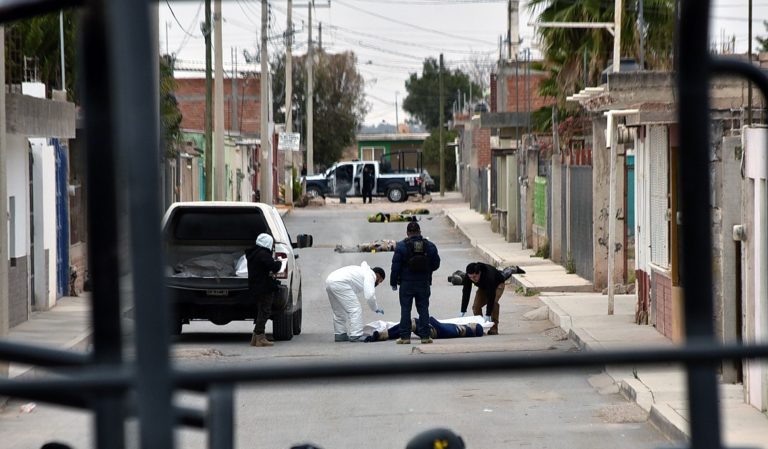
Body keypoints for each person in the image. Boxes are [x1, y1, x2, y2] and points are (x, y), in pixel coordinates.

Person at [390, 221, 440, 344]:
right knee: (423, 309)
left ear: (407, 233)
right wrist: (426, 270)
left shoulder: (401, 246)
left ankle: (405, 337)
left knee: (405, 309)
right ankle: (425, 336)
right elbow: (436, 264)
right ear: (420, 232)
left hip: (406, 284)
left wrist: (393, 282)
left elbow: (395, 267)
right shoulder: (430, 246)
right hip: (423, 283)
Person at [325, 261, 386, 342]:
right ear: (377, 276)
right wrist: (375, 308)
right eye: (380, 281)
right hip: (340, 283)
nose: (378, 283)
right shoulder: (370, 275)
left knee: (338, 311)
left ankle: (340, 334)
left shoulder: (362, 271)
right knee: (355, 309)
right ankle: (356, 335)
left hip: (330, 281)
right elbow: (370, 295)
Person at [245, 233, 283, 347]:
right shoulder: (263, 254)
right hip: (264, 287)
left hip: (256, 286)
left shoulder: (253, 253)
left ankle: (256, 338)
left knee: (261, 310)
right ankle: (259, 335)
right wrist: (279, 261)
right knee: (265, 311)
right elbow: (274, 267)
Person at [460, 262, 507, 335]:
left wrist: (488, 314)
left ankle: (494, 328)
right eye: (471, 277)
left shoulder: (489, 275)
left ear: (479, 273)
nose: (473, 279)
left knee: (493, 303)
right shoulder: (468, 276)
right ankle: (480, 327)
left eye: (475, 277)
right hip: (483, 287)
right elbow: (466, 292)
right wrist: (463, 309)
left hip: (497, 285)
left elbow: (491, 296)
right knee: (476, 307)